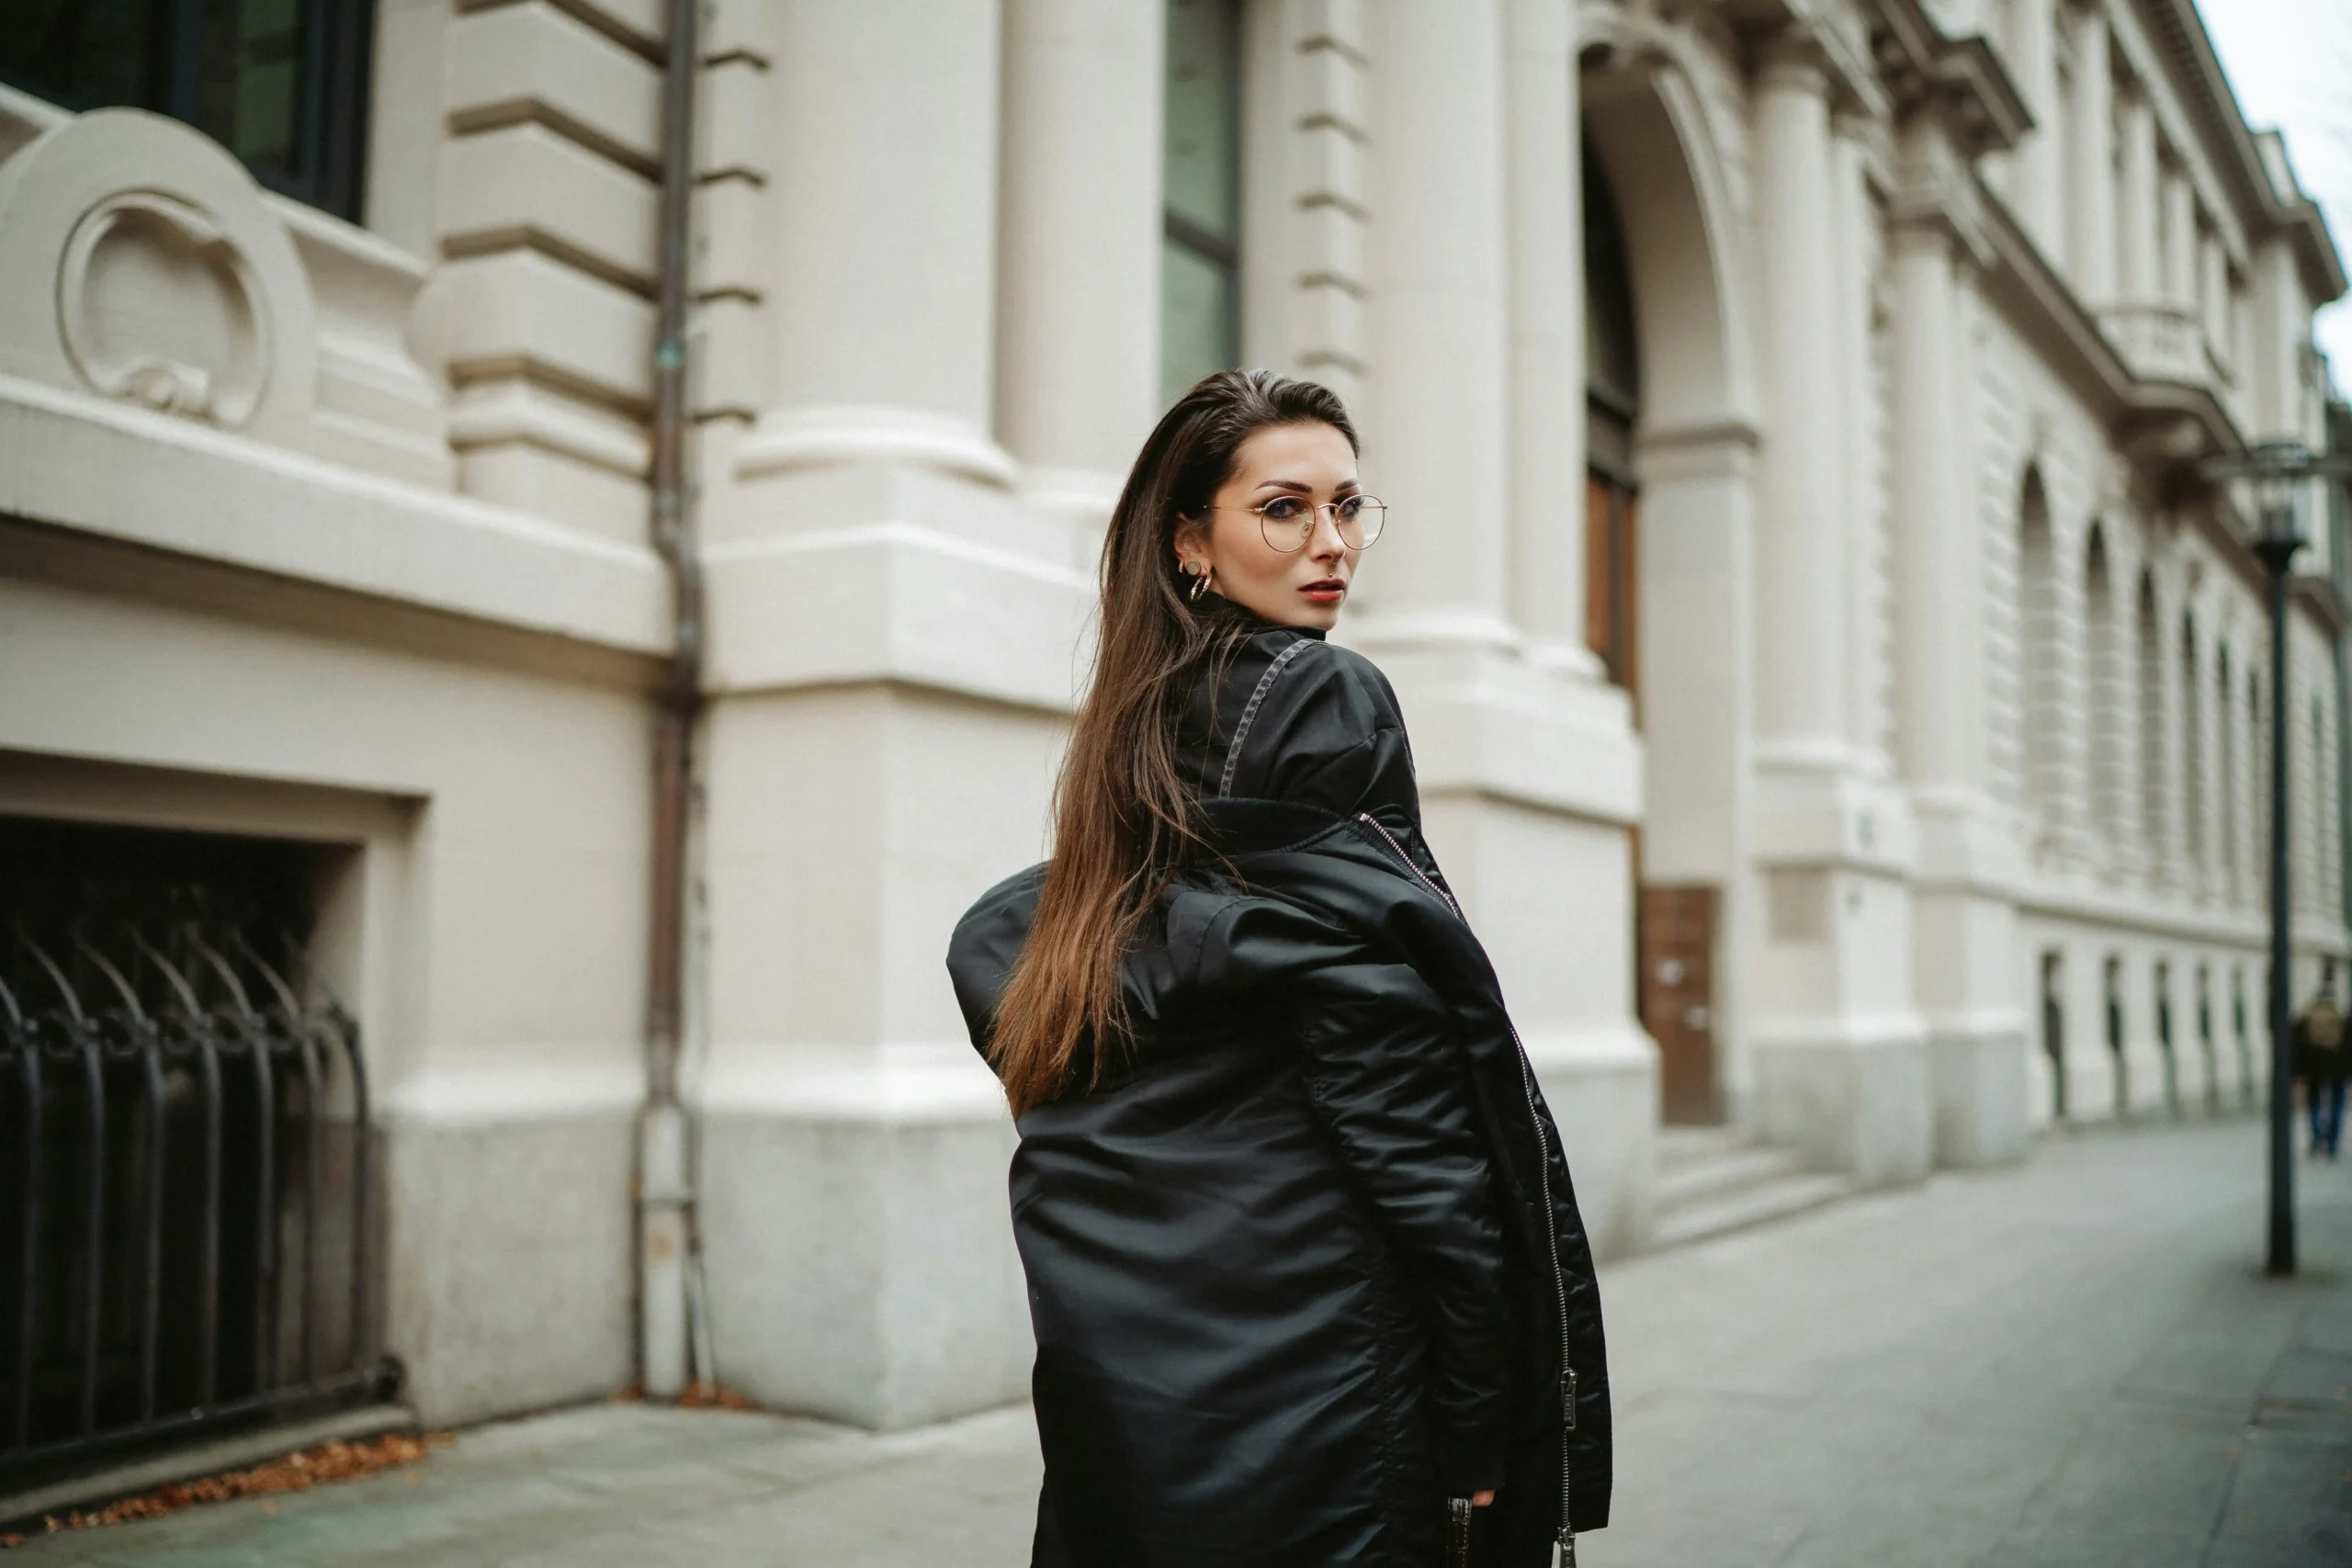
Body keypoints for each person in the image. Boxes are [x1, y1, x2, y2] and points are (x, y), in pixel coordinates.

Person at [946, 370, 1610, 1567]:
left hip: (1147, 1393)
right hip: (1327, 1379)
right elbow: (1403, 1109)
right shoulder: (1320, 697)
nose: (1332, 543)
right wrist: (1484, 1416)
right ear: (1190, 541)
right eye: (1284, 509)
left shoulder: (1134, 727)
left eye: (1348, 507)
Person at [2294, 964, 2346, 1158]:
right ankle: (2332, 1141)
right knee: (2337, 1104)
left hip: (2313, 1068)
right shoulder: (2341, 1018)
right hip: (2338, 1068)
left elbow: (2299, 1047)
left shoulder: (2307, 1019)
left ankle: (2317, 1137)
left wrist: (2298, 1071)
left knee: (2314, 1103)